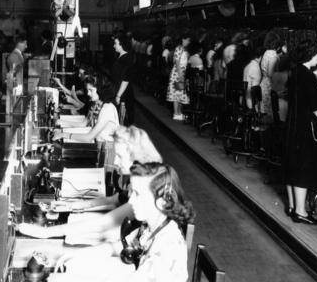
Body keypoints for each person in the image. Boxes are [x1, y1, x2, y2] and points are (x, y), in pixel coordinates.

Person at [52, 162, 194, 282]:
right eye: (132, 193)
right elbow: (120, 247)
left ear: (163, 201)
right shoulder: (150, 226)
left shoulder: (167, 249)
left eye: (138, 194)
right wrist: (78, 254)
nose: (131, 201)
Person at [18, 125, 162, 242]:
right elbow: (112, 200)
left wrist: (46, 233)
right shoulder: (136, 178)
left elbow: (103, 223)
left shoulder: (144, 187)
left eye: (119, 156)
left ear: (134, 155)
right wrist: (69, 206)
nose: (115, 162)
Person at [283, 40, 317, 225]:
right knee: (303, 168)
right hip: (306, 128)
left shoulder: (295, 72)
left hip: (293, 126)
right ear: (310, 55)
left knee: (294, 165)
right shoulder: (308, 76)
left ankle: (293, 206)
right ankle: (301, 212)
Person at [53, 76, 119, 143]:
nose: (88, 93)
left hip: (107, 148)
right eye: (88, 90)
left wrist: (64, 134)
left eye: (91, 90)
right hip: (97, 143)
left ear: (100, 90)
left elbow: (89, 138)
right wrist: (62, 130)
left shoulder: (107, 109)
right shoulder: (95, 104)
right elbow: (83, 124)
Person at [112, 32, 135, 126]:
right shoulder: (120, 57)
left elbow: (126, 79)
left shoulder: (127, 58)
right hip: (120, 91)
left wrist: (118, 96)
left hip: (124, 94)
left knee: (123, 120)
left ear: (122, 44)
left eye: (116, 43)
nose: (114, 46)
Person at [166, 33, 190, 121]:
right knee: (177, 94)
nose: (188, 42)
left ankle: (179, 113)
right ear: (183, 39)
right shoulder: (179, 48)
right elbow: (176, 62)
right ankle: (176, 113)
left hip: (180, 73)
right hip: (177, 73)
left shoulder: (183, 49)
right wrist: (180, 75)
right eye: (187, 40)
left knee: (179, 93)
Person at [259, 31, 282, 114]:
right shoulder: (273, 55)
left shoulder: (266, 52)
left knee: (266, 110)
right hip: (270, 85)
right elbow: (270, 73)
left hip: (264, 82)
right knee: (271, 112)